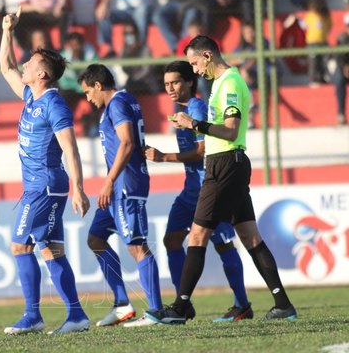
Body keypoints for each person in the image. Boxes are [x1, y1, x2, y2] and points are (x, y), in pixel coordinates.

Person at [144, 36, 297, 324]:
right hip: (232, 163)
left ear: (207, 55)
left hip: (223, 163)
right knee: (251, 237)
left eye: (194, 63)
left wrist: (195, 125)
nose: (195, 69)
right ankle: (283, 303)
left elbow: (229, 130)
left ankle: (180, 307)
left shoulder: (228, 84)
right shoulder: (223, 83)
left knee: (199, 236)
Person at [0, 7, 92, 335]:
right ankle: (77, 316)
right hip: (42, 186)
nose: (24, 63)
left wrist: (78, 187)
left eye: (31, 62)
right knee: (50, 250)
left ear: (43, 74)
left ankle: (32, 316)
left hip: (45, 185)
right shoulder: (30, 96)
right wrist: (7, 30)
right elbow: (6, 66)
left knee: (19, 245)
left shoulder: (54, 104)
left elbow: (70, 147)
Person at [145, 60, 252, 322]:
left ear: (190, 82)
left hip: (209, 186)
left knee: (224, 244)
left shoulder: (197, 108)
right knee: (171, 240)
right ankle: (185, 303)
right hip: (190, 190)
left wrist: (163, 157)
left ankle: (242, 304)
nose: (170, 88)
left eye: (176, 82)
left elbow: (203, 151)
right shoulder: (179, 108)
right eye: (167, 84)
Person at [77, 64, 164, 328]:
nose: (87, 98)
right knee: (96, 238)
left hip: (126, 184)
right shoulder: (125, 101)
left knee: (137, 246)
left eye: (87, 92)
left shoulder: (116, 104)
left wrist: (109, 181)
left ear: (98, 86)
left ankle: (157, 312)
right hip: (117, 188)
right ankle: (122, 303)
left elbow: (126, 142)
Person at [304, 0, 331, 86]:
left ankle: (323, 78)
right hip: (312, 43)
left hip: (323, 42)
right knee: (314, 61)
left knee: (324, 60)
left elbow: (329, 26)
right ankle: (314, 79)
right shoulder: (310, 15)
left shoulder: (326, 16)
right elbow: (305, 25)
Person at [333, 13, 349, 125]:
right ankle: (341, 115)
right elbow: (339, 57)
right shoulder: (343, 38)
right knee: (339, 79)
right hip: (345, 70)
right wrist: (345, 67)